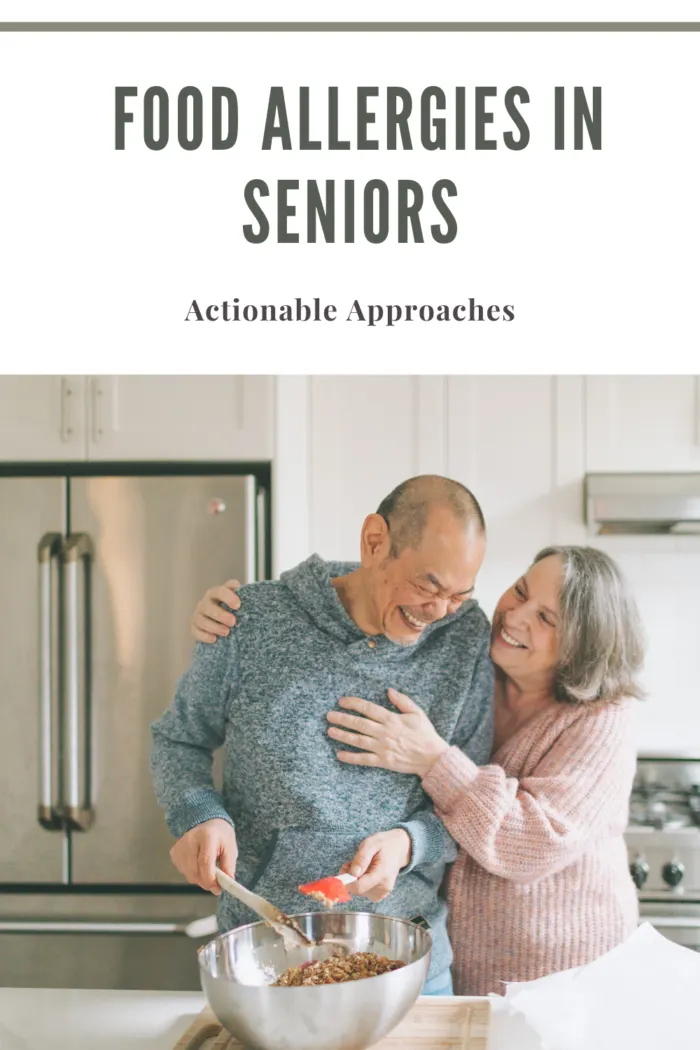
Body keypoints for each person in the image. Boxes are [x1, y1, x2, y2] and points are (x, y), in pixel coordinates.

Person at [194, 544, 645, 995]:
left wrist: (433, 760)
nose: (516, 616)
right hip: (462, 961)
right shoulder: (478, 662)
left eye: (546, 618)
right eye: (521, 591)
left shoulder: (603, 720)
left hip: (566, 974)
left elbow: (532, 843)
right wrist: (253, 605)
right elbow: (386, 587)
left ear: (581, 648)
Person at [150, 475, 494, 996]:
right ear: (375, 541)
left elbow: (471, 797)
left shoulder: (464, 638)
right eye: (428, 586)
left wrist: (409, 843)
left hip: (408, 964)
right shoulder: (252, 621)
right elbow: (179, 740)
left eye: (459, 594)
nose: (439, 611)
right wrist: (201, 815)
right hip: (264, 957)